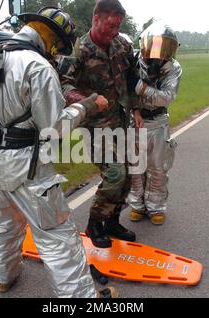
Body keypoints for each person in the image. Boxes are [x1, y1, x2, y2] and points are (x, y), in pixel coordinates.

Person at [0, 6, 117, 298]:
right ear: (52, 39)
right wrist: (87, 105)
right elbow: (53, 128)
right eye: (57, 45)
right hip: (26, 165)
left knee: (4, 222)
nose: (56, 52)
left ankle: (4, 277)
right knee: (57, 236)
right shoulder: (38, 67)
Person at [61, 0, 139, 249]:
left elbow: (131, 77)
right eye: (110, 26)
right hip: (94, 124)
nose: (114, 32)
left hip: (120, 119)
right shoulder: (79, 50)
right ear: (96, 19)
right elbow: (63, 86)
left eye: (118, 26)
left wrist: (136, 108)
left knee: (128, 174)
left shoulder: (122, 45)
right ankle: (94, 224)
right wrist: (89, 101)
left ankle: (112, 222)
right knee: (115, 173)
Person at [128, 23, 182, 225]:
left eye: (163, 46)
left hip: (158, 122)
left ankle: (156, 207)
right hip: (134, 121)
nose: (158, 52)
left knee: (158, 168)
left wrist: (139, 87)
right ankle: (137, 205)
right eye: (155, 45)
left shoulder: (173, 68)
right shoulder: (133, 60)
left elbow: (166, 98)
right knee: (135, 167)